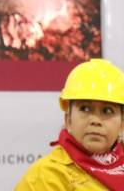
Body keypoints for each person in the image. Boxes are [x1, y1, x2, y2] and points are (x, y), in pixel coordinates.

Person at [15, 58, 124, 190]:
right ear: (68, 119)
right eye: (85, 108)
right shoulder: (45, 176)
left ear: (122, 124)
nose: (95, 120)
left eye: (107, 111)